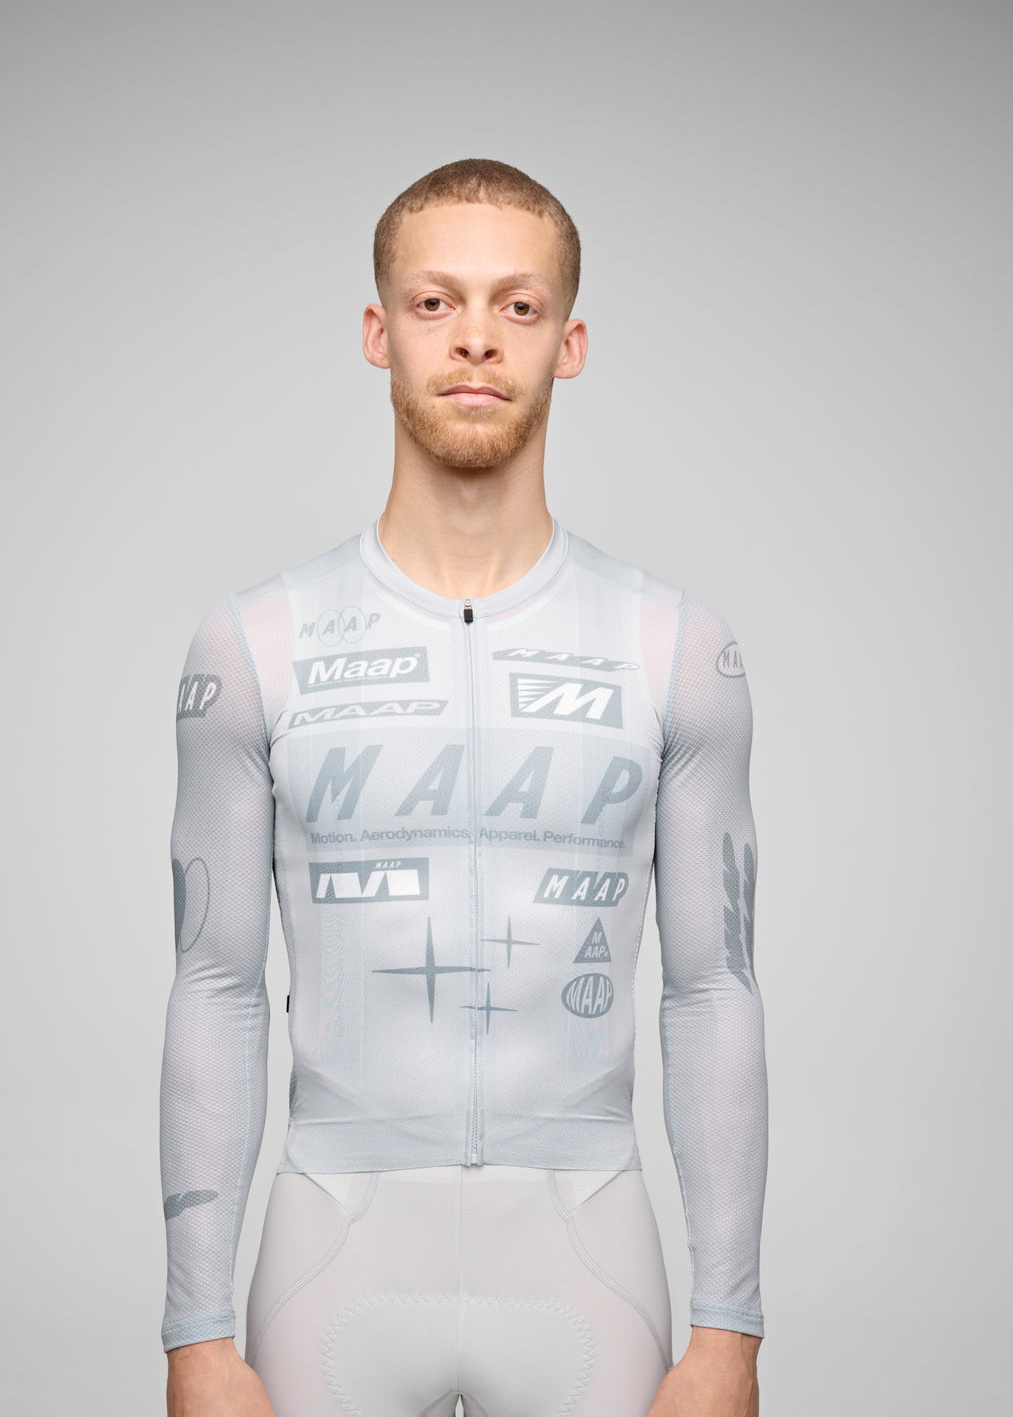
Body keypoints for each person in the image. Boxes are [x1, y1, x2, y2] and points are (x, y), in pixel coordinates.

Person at [160, 159, 767, 1417]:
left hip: (585, 1248)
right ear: (378, 332)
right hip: (334, 1248)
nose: (477, 337)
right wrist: (195, 1329)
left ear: (569, 343)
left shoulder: (673, 645)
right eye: (435, 303)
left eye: (518, 305)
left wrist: (730, 1326)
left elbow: (713, 988)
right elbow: (216, 984)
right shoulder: (256, 642)